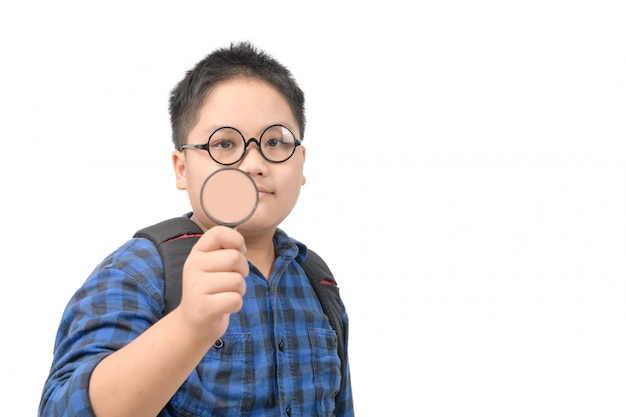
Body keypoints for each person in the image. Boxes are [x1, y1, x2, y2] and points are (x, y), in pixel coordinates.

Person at [38, 41, 354, 417]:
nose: (254, 163)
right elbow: (62, 409)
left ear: (301, 163)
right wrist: (189, 328)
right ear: (182, 168)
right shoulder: (137, 273)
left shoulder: (317, 280)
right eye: (224, 143)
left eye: (275, 141)